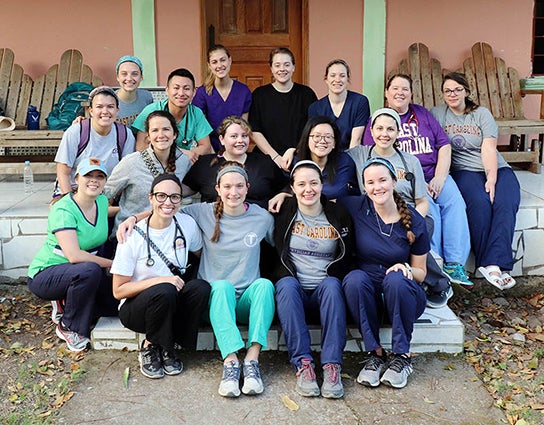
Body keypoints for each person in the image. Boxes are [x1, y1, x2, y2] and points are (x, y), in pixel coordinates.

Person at [362, 74, 473, 288]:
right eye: (395, 88)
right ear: (386, 93)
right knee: (431, 212)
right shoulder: (379, 121)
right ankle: (438, 265)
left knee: (456, 204)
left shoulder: (422, 113)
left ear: (411, 93)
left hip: (435, 173)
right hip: (411, 180)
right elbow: (373, 155)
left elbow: (444, 145)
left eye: (405, 89)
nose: (400, 93)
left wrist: (440, 177)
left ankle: (456, 263)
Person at [182, 161, 276, 397]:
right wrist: (134, 219)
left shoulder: (262, 217)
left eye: (239, 186)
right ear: (218, 188)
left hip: (243, 302)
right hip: (214, 302)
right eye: (227, 187)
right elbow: (165, 210)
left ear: (247, 188)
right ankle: (231, 361)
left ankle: (252, 360)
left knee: (264, 285)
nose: (233, 192)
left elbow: (284, 243)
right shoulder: (202, 211)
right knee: (221, 287)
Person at [111, 174, 210, 379]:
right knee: (165, 290)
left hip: (170, 303)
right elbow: (118, 290)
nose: (168, 202)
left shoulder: (186, 224)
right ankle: (150, 345)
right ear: (151, 198)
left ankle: (169, 344)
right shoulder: (131, 235)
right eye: (161, 196)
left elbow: (202, 254)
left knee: (201, 287)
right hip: (137, 309)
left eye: (175, 197)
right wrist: (161, 280)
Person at [340, 157, 428, 389]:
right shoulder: (357, 207)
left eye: (382, 180)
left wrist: (407, 269)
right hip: (368, 300)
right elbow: (315, 196)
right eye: (370, 182)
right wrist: (283, 195)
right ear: (364, 186)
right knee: (354, 278)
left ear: (394, 180)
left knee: (397, 279)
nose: (377, 187)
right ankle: (375, 355)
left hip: (403, 297)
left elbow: (422, 273)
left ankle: (401, 357)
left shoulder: (414, 220)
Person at [431, 72, 521, 290]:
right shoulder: (437, 114)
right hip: (464, 171)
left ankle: (496, 265)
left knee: (505, 204)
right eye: (448, 91)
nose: (452, 94)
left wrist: (491, 178)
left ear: (466, 92)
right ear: (443, 95)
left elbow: (489, 147)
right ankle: (489, 264)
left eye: (457, 89)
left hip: (496, 167)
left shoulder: (481, 114)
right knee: (479, 204)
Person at [273, 160, 354, 399]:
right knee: (285, 285)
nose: (308, 189)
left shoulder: (338, 213)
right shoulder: (284, 209)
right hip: (294, 292)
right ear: (292, 187)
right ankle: (303, 364)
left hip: (324, 295)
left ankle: (331, 366)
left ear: (322, 184)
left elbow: (349, 252)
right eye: (301, 184)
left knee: (331, 284)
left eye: (314, 183)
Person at [28, 158, 118, 352]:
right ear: (77, 179)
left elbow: (111, 212)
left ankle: (67, 301)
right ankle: (69, 326)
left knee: (113, 306)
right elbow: (75, 256)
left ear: (105, 182)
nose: (94, 180)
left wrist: (143, 213)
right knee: (89, 270)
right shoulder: (63, 209)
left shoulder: (101, 201)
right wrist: (111, 263)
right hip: (46, 274)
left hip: (79, 270)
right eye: (88, 175)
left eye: (99, 176)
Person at [105, 110, 191, 237]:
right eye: (155, 130)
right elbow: (103, 195)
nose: (161, 135)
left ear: (175, 134)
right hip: (131, 234)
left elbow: (187, 190)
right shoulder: (131, 162)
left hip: (167, 235)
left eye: (166, 129)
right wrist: (120, 210)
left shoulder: (183, 161)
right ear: (148, 136)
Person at [183, 115, 286, 209]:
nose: (240, 140)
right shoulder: (205, 164)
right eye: (234, 136)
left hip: (257, 224)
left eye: (244, 136)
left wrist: (283, 194)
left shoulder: (264, 163)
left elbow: (286, 187)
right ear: (222, 139)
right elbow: (183, 190)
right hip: (214, 223)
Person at [268, 115, 360, 212]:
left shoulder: (345, 162)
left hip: (336, 216)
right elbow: (284, 189)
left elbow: (354, 193)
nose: (322, 141)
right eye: (317, 136)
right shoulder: (293, 162)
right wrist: (284, 195)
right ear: (307, 139)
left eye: (328, 137)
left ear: (334, 143)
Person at [54, 86, 135, 196]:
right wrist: (71, 202)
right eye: (99, 107)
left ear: (117, 111)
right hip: (74, 191)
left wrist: (108, 199)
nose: (105, 111)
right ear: (91, 111)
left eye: (110, 107)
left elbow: (127, 173)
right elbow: (63, 172)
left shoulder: (125, 134)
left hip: (107, 192)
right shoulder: (76, 132)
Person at [249, 47, 317, 170]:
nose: (282, 69)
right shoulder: (259, 95)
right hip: (267, 157)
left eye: (286, 65)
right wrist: (275, 157)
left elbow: (314, 129)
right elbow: (254, 131)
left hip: (300, 156)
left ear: (293, 67)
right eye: (277, 65)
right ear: (271, 68)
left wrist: (294, 151)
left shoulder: (307, 94)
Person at [132, 68, 213, 163]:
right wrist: (181, 154)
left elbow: (206, 147)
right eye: (176, 88)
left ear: (194, 92)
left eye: (186, 89)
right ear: (167, 90)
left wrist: (189, 155)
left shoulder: (196, 113)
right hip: (154, 164)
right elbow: (141, 147)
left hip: (182, 164)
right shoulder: (151, 111)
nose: (181, 93)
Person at [193, 45, 252, 152]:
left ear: (230, 61)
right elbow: (200, 130)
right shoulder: (202, 93)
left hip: (237, 149)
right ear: (209, 65)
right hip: (211, 150)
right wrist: (212, 154)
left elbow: (244, 128)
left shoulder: (243, 91)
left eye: (223, 60)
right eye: (214, 62)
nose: (219, 65)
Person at [308, 59, 370, 150]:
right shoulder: (315, 108)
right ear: (326, 79)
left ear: (347, 78)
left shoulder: (360, 102)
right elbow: (316, 141)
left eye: (342, 76)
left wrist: (348, 163)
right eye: (333, 75)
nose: (337, 80)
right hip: (325, 155)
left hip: (352, 155)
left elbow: (356, 139)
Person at [114, 55, 154, 127]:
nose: (129, 78)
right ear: (117, 77)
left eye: (134, 74)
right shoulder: (109, 100)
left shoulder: (147, 97)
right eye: (124, 74)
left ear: (141, 77)